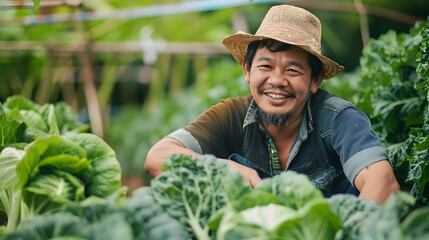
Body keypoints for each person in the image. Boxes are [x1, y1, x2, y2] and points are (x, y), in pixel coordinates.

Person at [144, 4, 400, 204]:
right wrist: (219, 168)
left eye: (293, 70)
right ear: (247, 70)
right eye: (265, 66)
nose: (277, 80)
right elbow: (158, 158)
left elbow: (384, 183)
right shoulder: (230, 115)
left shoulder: (339, 119)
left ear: (315, 80)